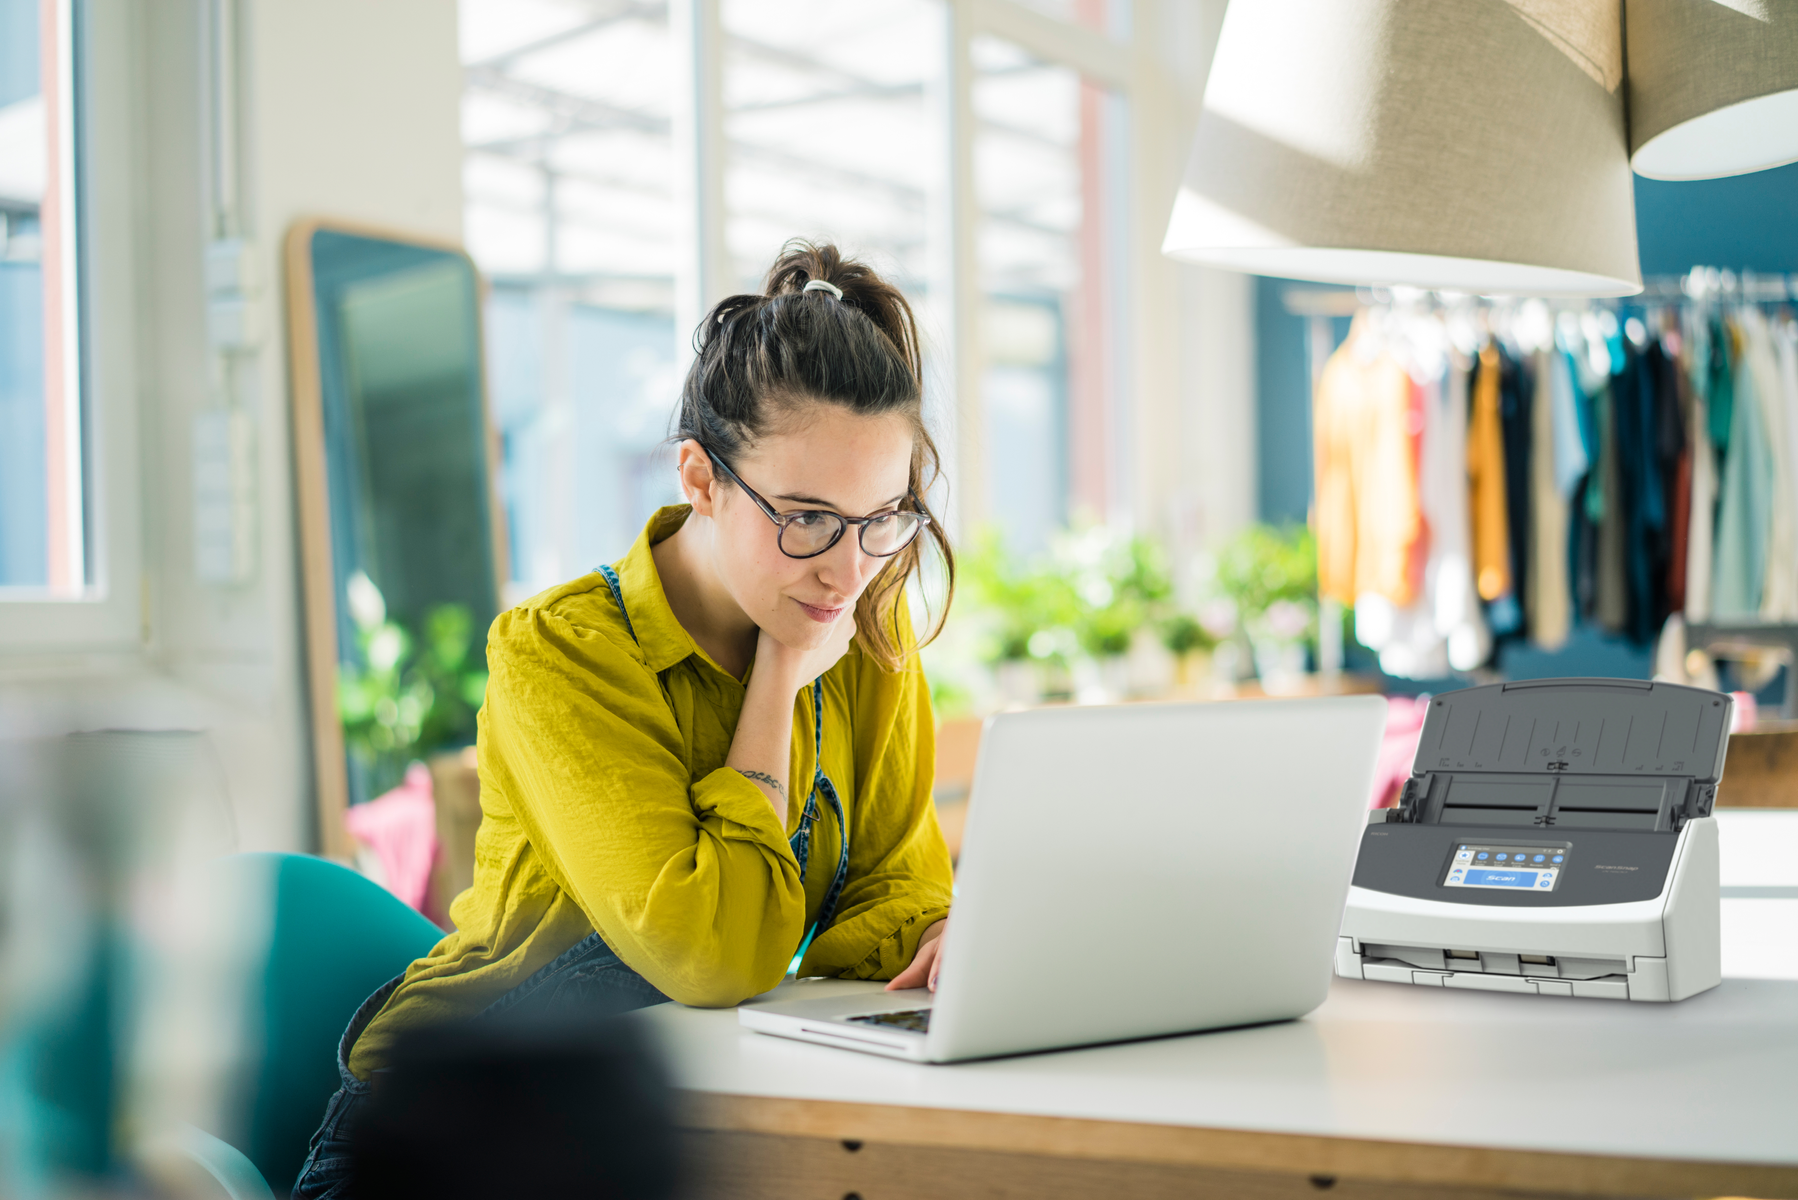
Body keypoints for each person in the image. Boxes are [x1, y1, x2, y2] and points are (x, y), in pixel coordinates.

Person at [293, 241, 957, 1198]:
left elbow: (893, 898)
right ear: (700, 478)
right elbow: (715, 953)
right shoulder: (560, 654)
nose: (848, 570)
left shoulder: (862, 634)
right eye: (806, 518)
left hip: (683, 1108)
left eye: (881, 519)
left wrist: (934, 938)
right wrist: (779, 677)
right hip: (453, 1133)